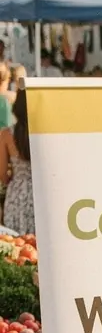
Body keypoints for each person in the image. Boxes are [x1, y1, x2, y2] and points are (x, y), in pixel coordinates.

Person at [0, 91, 34, 236]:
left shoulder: (7, 134)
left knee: (17, 245)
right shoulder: (44, 133)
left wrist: (11, 181)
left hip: (17, 192)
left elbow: (2, 173)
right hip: (40, 191)